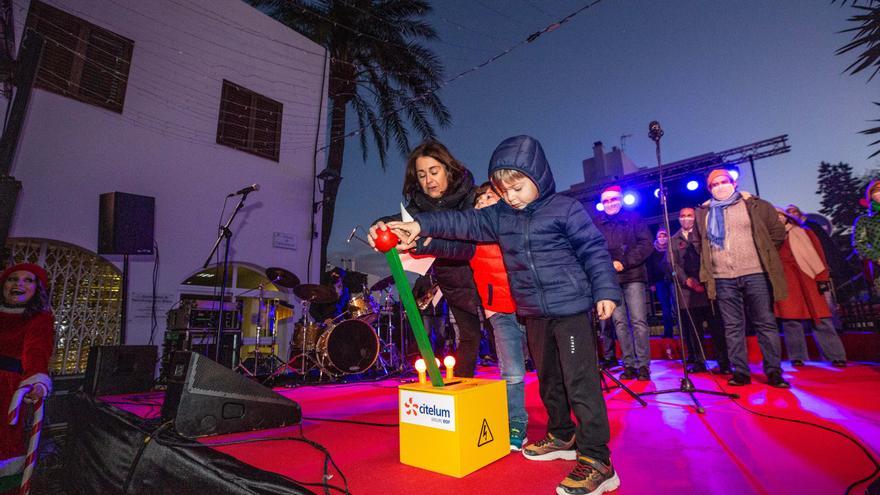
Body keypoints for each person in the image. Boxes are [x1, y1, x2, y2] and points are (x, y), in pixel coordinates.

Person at [377, 135, 623, 495]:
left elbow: (594, 249)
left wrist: (605, 290)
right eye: (504, 190)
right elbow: (462, 224)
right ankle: (561, 435)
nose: (511, 196)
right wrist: (420, 227)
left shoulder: (565, 209)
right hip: (534, 311)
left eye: (518, 187)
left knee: (580, 383)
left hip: (570, 307)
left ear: (538, 176)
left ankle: (597, 460)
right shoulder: (500, 216)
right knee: (550, 379)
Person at [370, 141, 483, 378]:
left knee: (500, 336)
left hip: (485, 276)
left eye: (434, 171)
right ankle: (462, 395)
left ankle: (513, 404)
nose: (428, 180)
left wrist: (424, 241)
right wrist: (379, 225)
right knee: (469, 335)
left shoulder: (472, 196)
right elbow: (399, 219)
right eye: (421, 175)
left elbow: (467, 244)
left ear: (448, 169)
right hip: (453, 280)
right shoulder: (420, 204)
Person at [695, 169, 790, 388]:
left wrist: (763, 253)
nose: (720, 186)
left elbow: (776, 233)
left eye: (724, 182)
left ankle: (774, 372)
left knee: (765, 323)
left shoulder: (754, 205)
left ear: (734, 183)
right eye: (714, 184)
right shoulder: (705, 212)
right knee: (732, 326)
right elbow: (702, 243)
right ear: (709, 189)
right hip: (722, 276)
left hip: (754, 272)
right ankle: (740, 372)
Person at [1, 263, 55, 493]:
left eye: (27, 280)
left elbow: (36, 350)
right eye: (13, 279)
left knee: (5, 446)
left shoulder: (39, 319)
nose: (18, 284)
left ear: (37, 289)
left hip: (5, 389)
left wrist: (36, 381)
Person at [774, 208, 848, 367]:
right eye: (774, 216)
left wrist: (822, 276)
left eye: (780, 215)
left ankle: (835, 355)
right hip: (786, 281)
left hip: (809, 277)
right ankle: (797, 356)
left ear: (787, 217)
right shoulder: (771, 239)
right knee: (790, 319)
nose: (778, 218)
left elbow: (819, 254)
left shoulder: (805, 233)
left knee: (820, 317)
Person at [595, 185, 654, 381]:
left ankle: (643, 365)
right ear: (602, 204)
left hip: (634, 276)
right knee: (620, 323)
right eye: (606, 201)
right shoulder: (598, 224)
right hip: (611, 279)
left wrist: (625, 262)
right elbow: (594, 249)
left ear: (620, 199)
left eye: (613, 200)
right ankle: (628, 364)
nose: (610, 204)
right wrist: (608, 264)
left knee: (638, 321)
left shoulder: (635, 218)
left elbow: (646, 244)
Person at [668, 207, 730, 374]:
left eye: (689, 216)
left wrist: (705, 280)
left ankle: (723, 362)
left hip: (707, 287)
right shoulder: (673, 240)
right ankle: (699, 362)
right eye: (682, 216)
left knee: (717, 328)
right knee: (694, 331)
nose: (686, 218)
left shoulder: (704, 234)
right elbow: (673, 265)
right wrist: (686, 280)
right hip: (687, 291)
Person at [646, 227, 675, 339]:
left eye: (664, 236)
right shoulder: (653, 251)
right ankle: (668, 332)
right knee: (665, 307)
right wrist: (651, 283)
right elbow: (650, 268)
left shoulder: (671, 249)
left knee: (676, 306)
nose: (662, 238)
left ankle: (683, 330)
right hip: (659, 281)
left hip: (672, 280)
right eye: (660, 236)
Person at [852, 179, 880, 297]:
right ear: (871, 196)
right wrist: (877, 257)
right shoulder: (865, 220)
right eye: (877, 190)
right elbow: (859, 243)